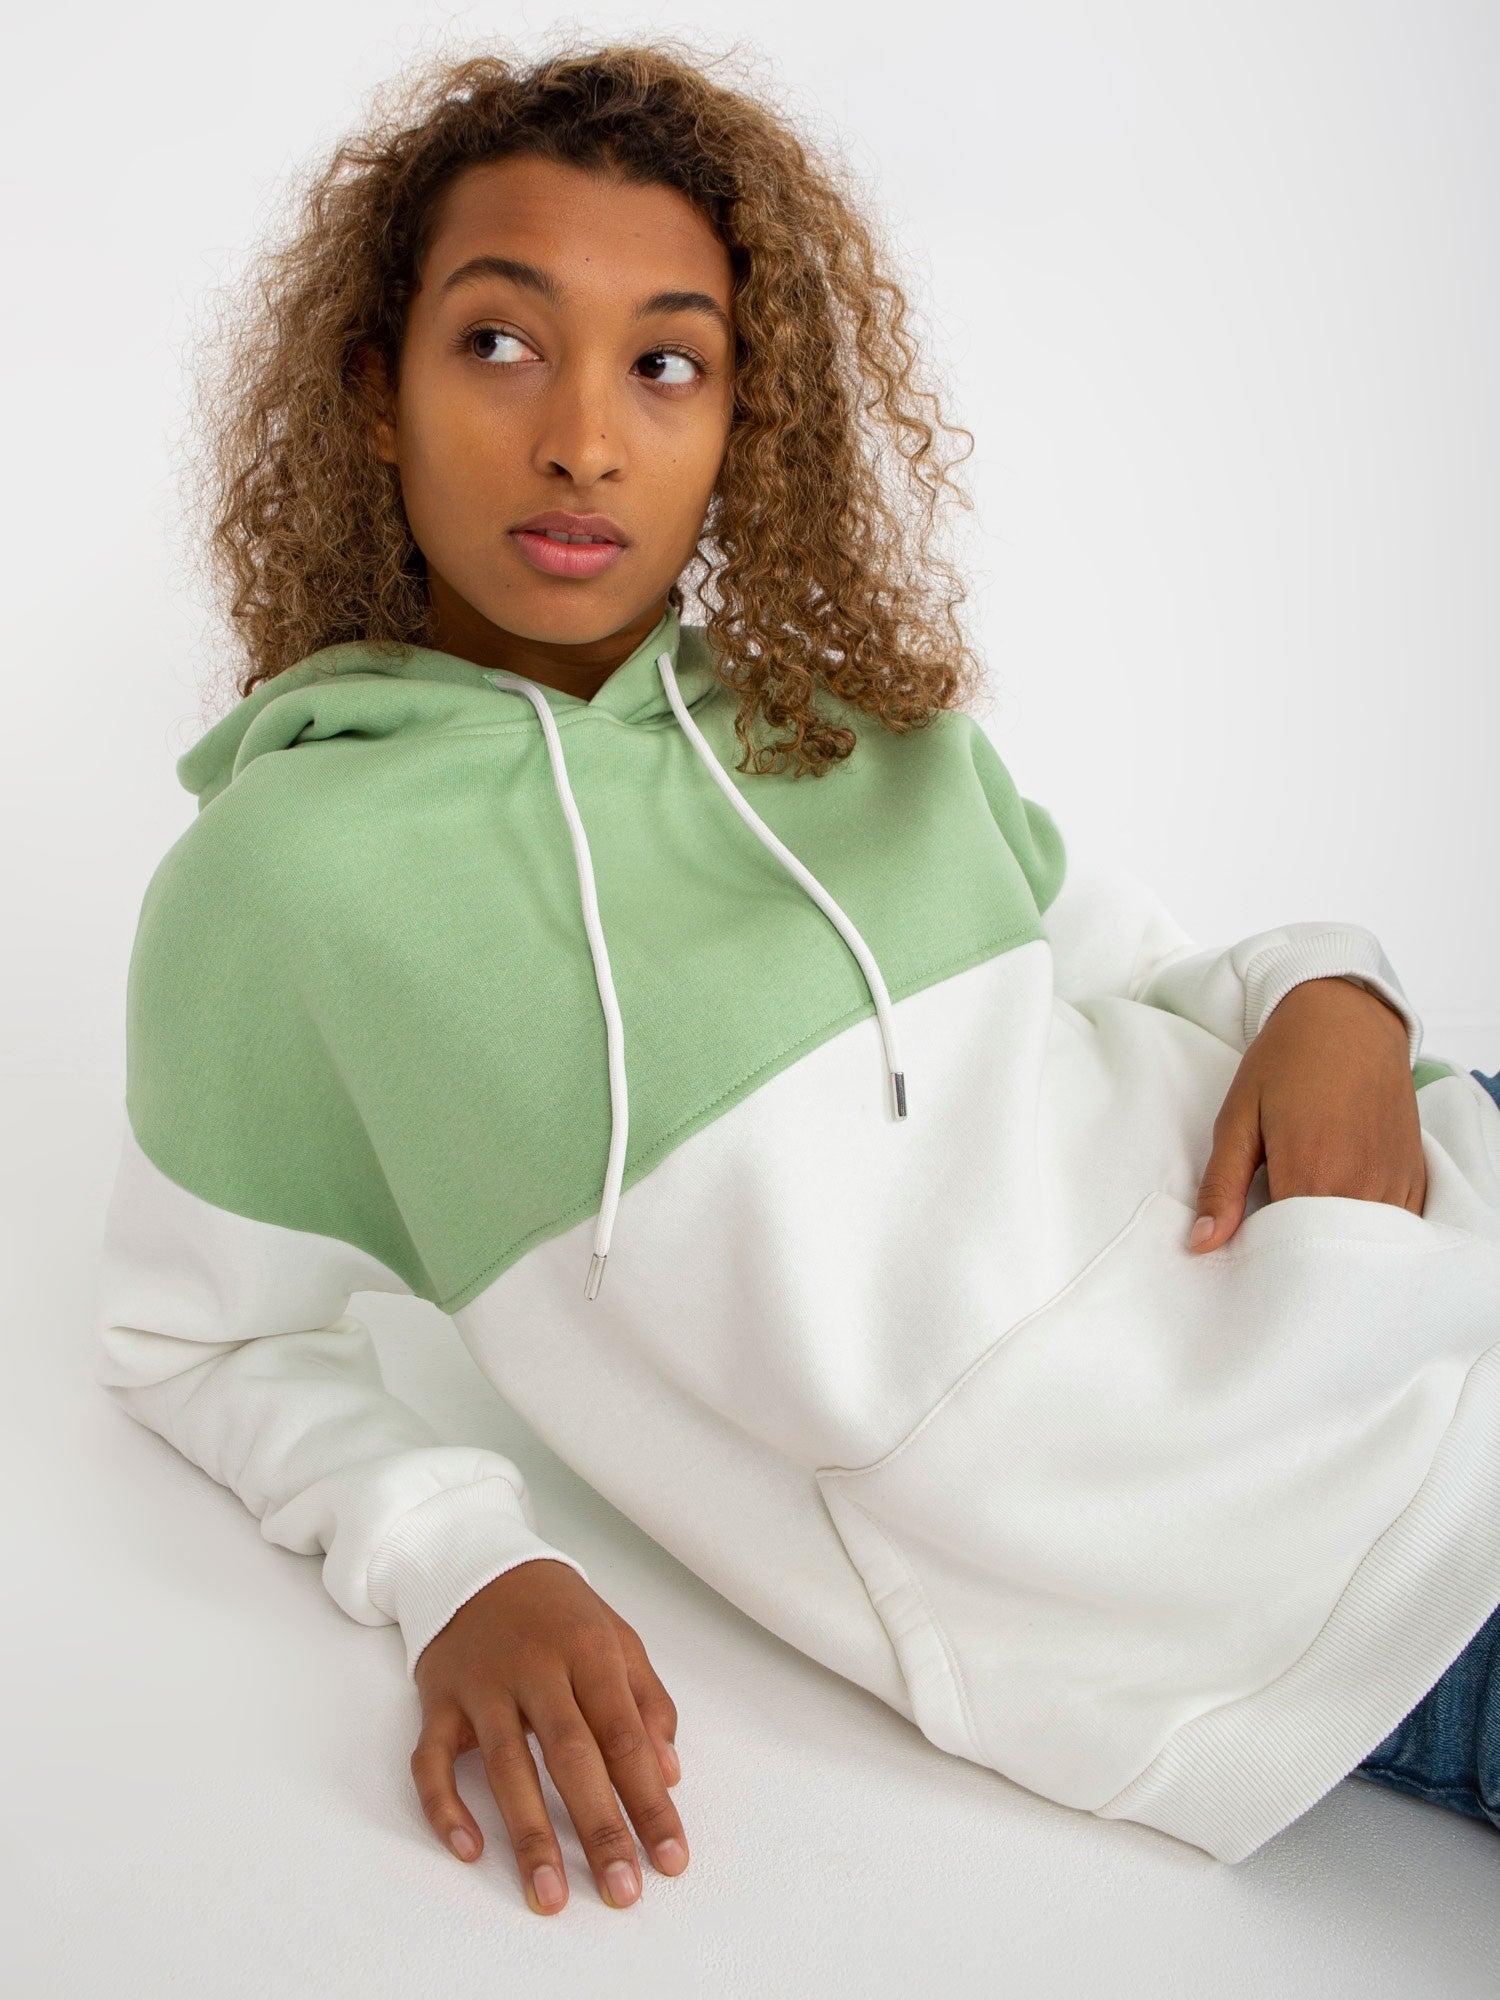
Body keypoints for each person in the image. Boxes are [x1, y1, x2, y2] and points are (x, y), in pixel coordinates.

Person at [92, 37, 1500, 1917]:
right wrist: (457, 1560)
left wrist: (1343, 995)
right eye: (501, 342)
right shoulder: (292, 882)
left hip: (1434, 1205)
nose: (585, 439)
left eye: (666, 363)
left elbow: (1166, 973)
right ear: (375, 387)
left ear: (741, 417)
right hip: (1319, 1568)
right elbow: (192, 1337)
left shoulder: (843, 719)